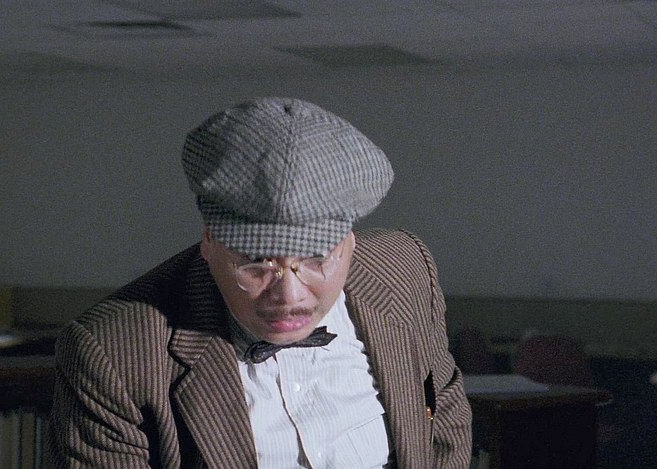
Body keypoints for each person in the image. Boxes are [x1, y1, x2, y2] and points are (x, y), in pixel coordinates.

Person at [49, 97, 472, 468]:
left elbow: (443, 422)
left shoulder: (405, 269)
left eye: (316, 259)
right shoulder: (112, 351)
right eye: (257, 263)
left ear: (349, 242)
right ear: (209, 241)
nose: (289, 296)